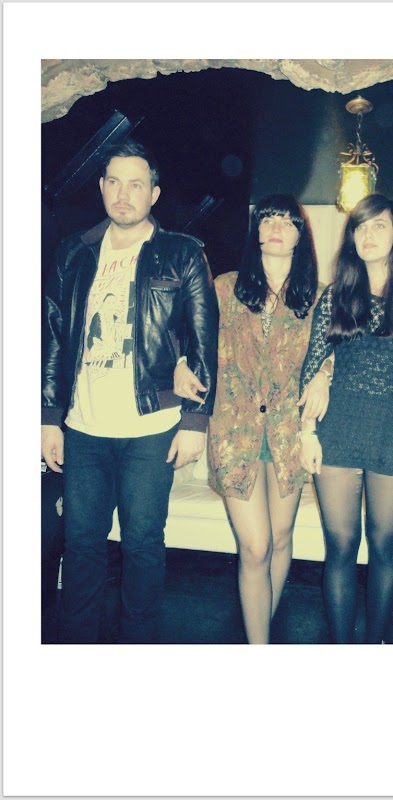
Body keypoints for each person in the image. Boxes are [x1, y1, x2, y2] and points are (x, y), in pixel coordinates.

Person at [41, 139, 219, 644]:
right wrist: (49, 417)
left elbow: (204, 341)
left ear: (154, 193)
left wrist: (195, 420)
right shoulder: (73, 252)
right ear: (101, 187)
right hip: (83, 428)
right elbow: (53, 335)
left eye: (135, 184)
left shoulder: (183, 253)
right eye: (114, 182)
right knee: (81, 545)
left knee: (142, 545)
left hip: (151, 427)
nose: (123, 194)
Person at [174, 194, 331, 644]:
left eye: (287, 221)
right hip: (234, 431)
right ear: (256, 231)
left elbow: (335, 348)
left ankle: (261, 622)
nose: (277, 227)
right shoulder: (225, 287)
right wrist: (180, 361)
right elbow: (187, 329)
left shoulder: (319, 296)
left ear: (301, 235)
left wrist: (324, 374)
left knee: (280, 538)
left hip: (289, 433)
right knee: (256, 545)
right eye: (268, 219)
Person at [299, 194, 393, 644]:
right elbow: (313, 364)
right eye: (360, 227)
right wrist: (307, 432)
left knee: (384, 547)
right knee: (340, 548)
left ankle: (377, 643)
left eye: (378, 225)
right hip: (337, 431)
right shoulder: (334, 295)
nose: (368, 235)